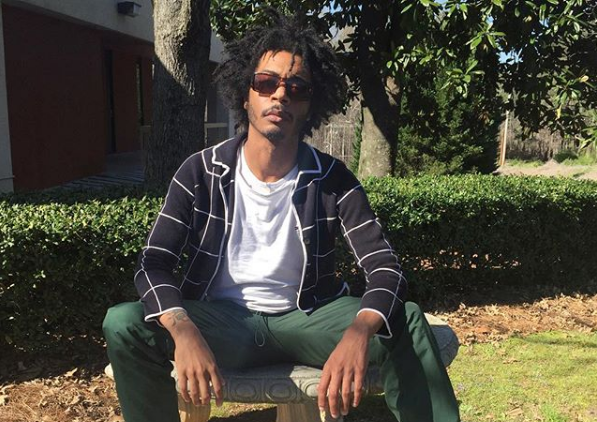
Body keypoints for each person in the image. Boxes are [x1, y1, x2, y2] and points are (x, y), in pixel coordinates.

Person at [103, 13, 460, 422]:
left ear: (309, 106)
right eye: (266, 83)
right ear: (245, 94)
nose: (280, 96)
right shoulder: (200, 171)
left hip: (308, 318)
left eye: (297, 88)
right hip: (221, 320)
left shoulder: (333, 179)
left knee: (405, 320)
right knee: (124, 323)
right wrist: (181, 327)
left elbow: (385, 267)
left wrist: (360, 330)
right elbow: (153, 262)